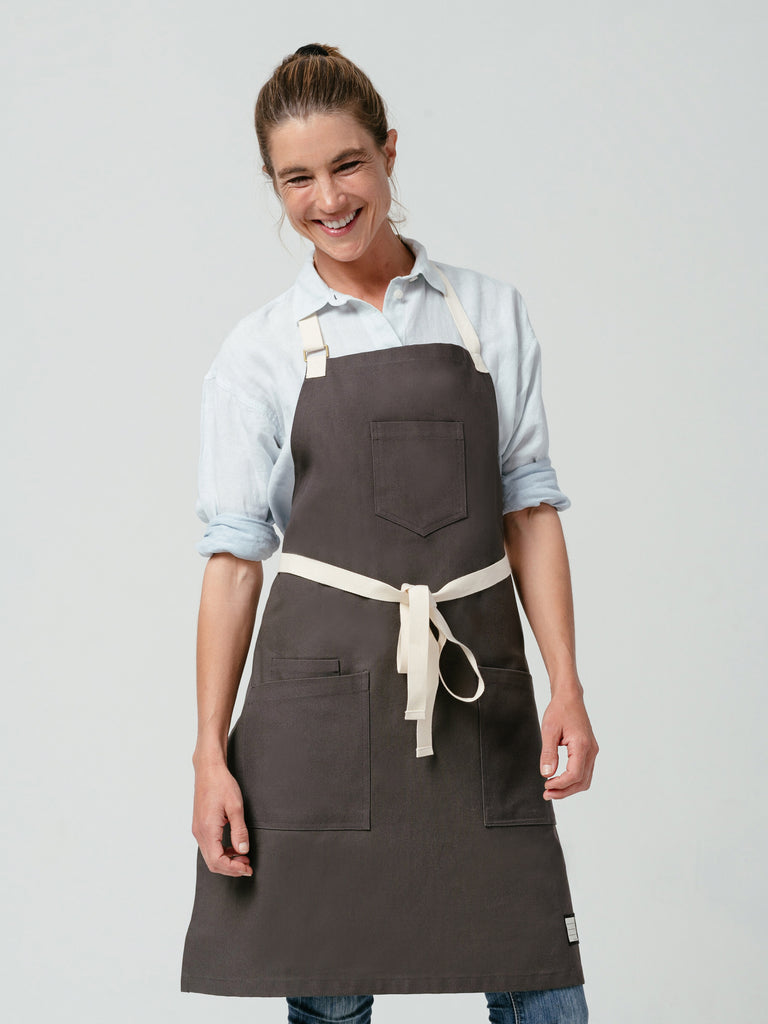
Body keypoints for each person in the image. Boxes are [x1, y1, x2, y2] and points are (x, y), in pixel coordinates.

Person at [180, 43, 598, 1024]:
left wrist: (566, 683)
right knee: (330, 1000)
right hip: (317, 709)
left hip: (474, 691)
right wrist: (208, 752)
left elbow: (528, 507)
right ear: (275, 185)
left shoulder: (488, 313)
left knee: (539, 978)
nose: (328, 197)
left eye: (347, 164)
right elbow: (235, 561)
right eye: (298, 177)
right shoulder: (258, 351)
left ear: (389, 152)